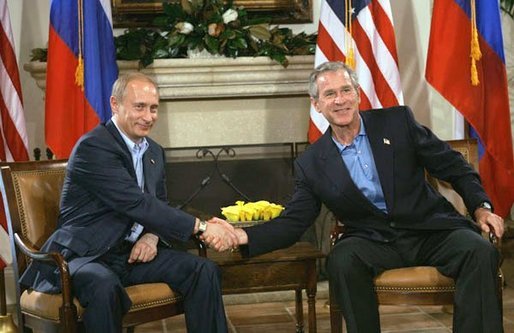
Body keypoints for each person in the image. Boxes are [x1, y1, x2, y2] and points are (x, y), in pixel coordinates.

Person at [212, 61, 505, 332]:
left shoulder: (397, 122)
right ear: (317, 105)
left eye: (345, 90)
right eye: (329, 94)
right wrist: (243, 237)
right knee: (343, 259)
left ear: (357, 94)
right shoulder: (312, 163)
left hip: (430, 230)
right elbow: (295, 221)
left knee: (479, 251)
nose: (339, 100)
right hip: (372, 240)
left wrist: (481, 207)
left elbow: (453, 166)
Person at [20, 72, 238, 333]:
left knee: (203, 270)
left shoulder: (154, 152)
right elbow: (136, 204)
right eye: (140, 107)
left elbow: (159, 203)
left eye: (154, 108)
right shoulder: (94, 148)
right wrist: (202, 228)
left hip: (131, 254)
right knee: (104, 285)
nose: (148, 117)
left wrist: (151, 237)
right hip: (85, 256)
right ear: (115, 104)